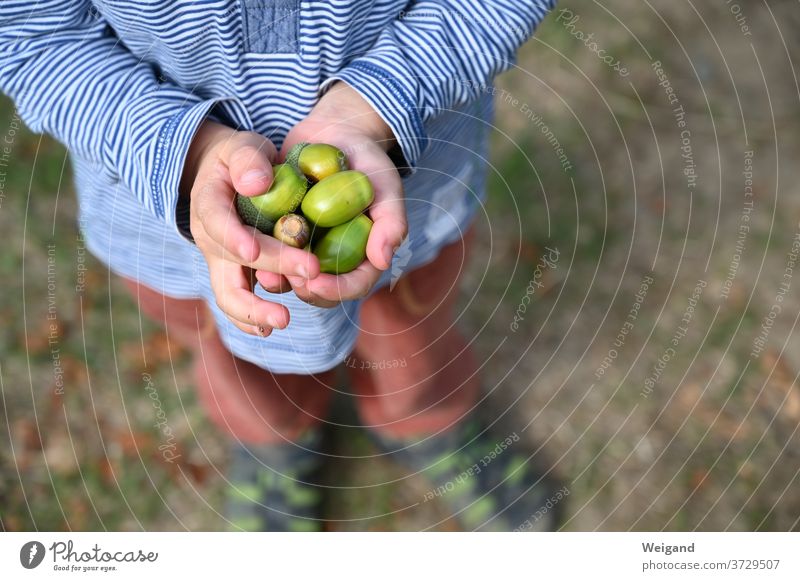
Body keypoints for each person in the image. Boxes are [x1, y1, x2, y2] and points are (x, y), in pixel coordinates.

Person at [0, 0, 560, 531]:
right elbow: (30, 32)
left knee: (410, 332)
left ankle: (430, 423)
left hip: (415, 182)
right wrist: (184, 152)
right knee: (232, 352)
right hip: (163, 215)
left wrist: (386, 97)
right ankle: (273, 449)